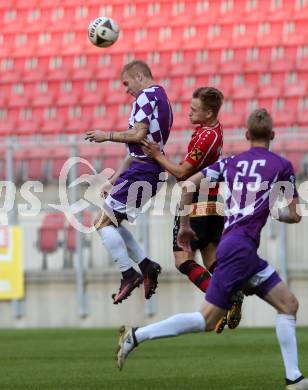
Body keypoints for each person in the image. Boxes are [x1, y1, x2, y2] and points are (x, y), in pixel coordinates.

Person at [116, 108, 308, 390]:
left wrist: (184, 225)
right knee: (206, 320)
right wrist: (273, 211)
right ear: (273, 135)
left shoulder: (231, 162)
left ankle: (295, 378)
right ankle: (137, 336)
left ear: (246, 135)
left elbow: (187, 185)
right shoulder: (281, 165)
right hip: (240, 249)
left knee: (288, 304)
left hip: (235, 246)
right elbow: (294, 215)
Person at [141, 87, 242, 331]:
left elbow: (182, 173)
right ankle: (228, 297)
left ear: (208, 113)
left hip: (196, 203)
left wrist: (157, 155)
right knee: (212, 262)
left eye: (194, 109)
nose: (189, 112)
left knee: (182, 260)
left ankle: (225, 300)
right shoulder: (212, 130)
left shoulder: (206, 137)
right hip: (214, 203)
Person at [85, 60, 173, 304]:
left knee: (102, 222)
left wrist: (107, 135)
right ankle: (145, 266)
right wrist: (113, 180)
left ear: (139, 76)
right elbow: (138, 147)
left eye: (127, 83)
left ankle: (129, 274)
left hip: (144, 172)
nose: (126, 90)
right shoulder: (162, 96)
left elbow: (137, 135)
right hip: (143, 169)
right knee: (110, 220)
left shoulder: (145, 96)